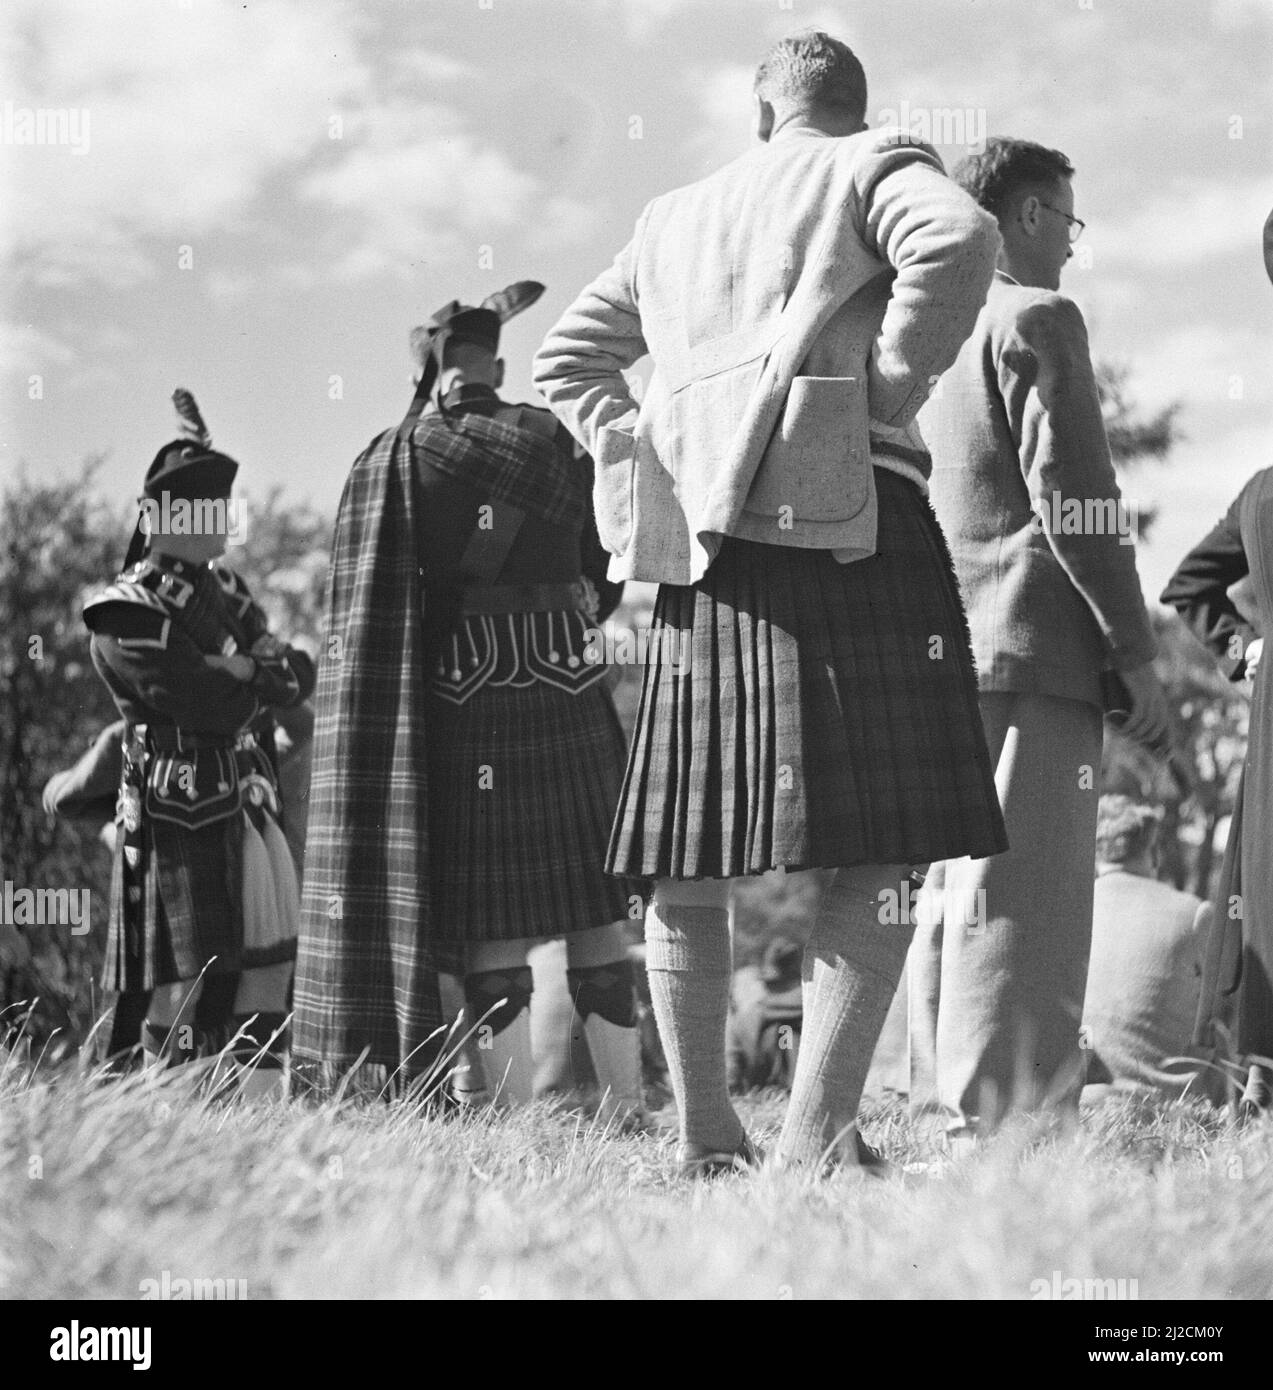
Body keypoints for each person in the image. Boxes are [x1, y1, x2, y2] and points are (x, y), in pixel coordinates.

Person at [534, 29, 1006, 1174]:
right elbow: (963, 234)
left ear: (759, 114)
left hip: (710, 556)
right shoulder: (873, 162)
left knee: (684, 851)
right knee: (883, 849)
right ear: (853, 103)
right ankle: (814, 1135)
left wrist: (659, 442)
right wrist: (883, 386)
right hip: (860, 531)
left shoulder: (672, 215)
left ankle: (704, 1134)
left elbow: (563, 360)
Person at [292, 282, 644, 1122]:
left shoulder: (403, 451)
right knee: (599, 905)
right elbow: (606, 567)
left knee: (495, 916)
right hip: (569, 677)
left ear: (432, 367)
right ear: (499, 364)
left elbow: (386, 601)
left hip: (462, 694)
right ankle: (627, 1106)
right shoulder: (556, 436)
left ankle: (512, 1116)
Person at [906, 138, 1169, 1143]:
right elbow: (1079, 501)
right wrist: (1133, 651)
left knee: (949, 882)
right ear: (1023, 217)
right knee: (1030, 885)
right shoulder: (1037, 317)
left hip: (944, 643)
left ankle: (941, 1100)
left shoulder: (923, 337)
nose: (1071, 241)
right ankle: (1008, 1113)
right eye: (1067, 219)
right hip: (1034, 640)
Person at [82, 390, 314, 1097]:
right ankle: (160, 1116)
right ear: (163, 519)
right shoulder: (125, 607)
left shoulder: (231, 593)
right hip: (170, 808)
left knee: (258, 962)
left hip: (244, 797)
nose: (223, 521)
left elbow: (294, 674)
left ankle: (244, 1117)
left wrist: (237, 669)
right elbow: (197, 699)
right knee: (175, 980)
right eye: (207, 509)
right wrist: (248, 672)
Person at [1160, 211, 1273, 1113]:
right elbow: (1189, 583)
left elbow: (1187, 586)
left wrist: (1243, 649)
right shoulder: (1262, 491)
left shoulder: (1263, 489)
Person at [1080, 796, 1209, 1103]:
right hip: (1165, 1103)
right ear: (1154, 852)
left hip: (1080, 1098)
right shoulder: (1195, 913)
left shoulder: (1068, 911)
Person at [727, 936, 803, 1092]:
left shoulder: (746, 1017)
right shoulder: (808, 1015)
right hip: (786, 1092)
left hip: (759, 1093)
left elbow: (732, 1066)